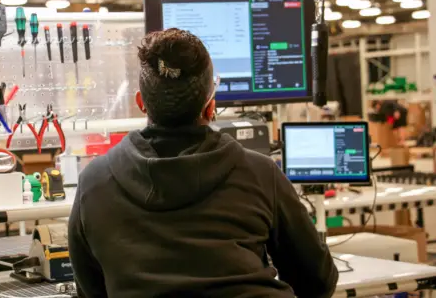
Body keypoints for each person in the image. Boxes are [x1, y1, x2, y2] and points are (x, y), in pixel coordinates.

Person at [68, 28, 338, 298]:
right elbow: (317, 281)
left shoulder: (94, 183)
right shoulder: (260, 174)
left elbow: (91, 290)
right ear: (210, 108)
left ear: (142, 103)